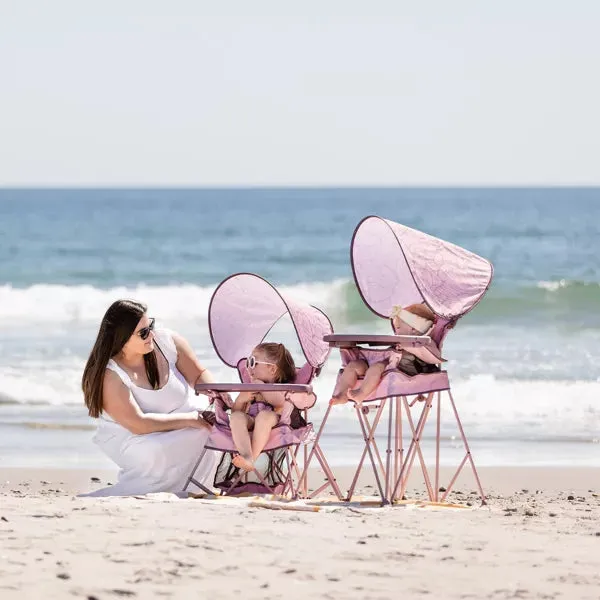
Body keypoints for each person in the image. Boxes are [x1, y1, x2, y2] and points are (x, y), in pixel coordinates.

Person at [81, 299, 219, 496]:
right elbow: (139, 424)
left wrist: (216, 393)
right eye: (143, 333)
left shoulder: (168, 342)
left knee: (215, 431)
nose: (151, 335)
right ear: (121, 339)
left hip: (181, 420)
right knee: (157, 451)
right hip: (138, 436)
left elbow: (198, 375)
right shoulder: (111, 375)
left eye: (150, 326)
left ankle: (206, 484)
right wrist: (191, 420)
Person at [330, 303, 438, 405]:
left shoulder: (423, 345)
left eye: (399, 327)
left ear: (414, 329)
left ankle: (361, 394)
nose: (396, 331)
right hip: (385, 364)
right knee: (354, 365)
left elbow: (435, 356)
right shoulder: (400, 342)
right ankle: (342, 394)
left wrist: (408, 345)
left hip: (400, 370)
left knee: (376, 368)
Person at [229, 342, 300, 472]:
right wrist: (241, 399)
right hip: (251, 420)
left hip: (274, 422)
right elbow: (235, 411)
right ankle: (247, 456)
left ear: (272, 369)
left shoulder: (281, 387)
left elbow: (279, 403)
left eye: (253, 362)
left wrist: (261, 386)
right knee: (236, 417)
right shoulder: (250, 388)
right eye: (247, 362)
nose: (249, 368)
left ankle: (251, 459)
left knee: (263, 416)